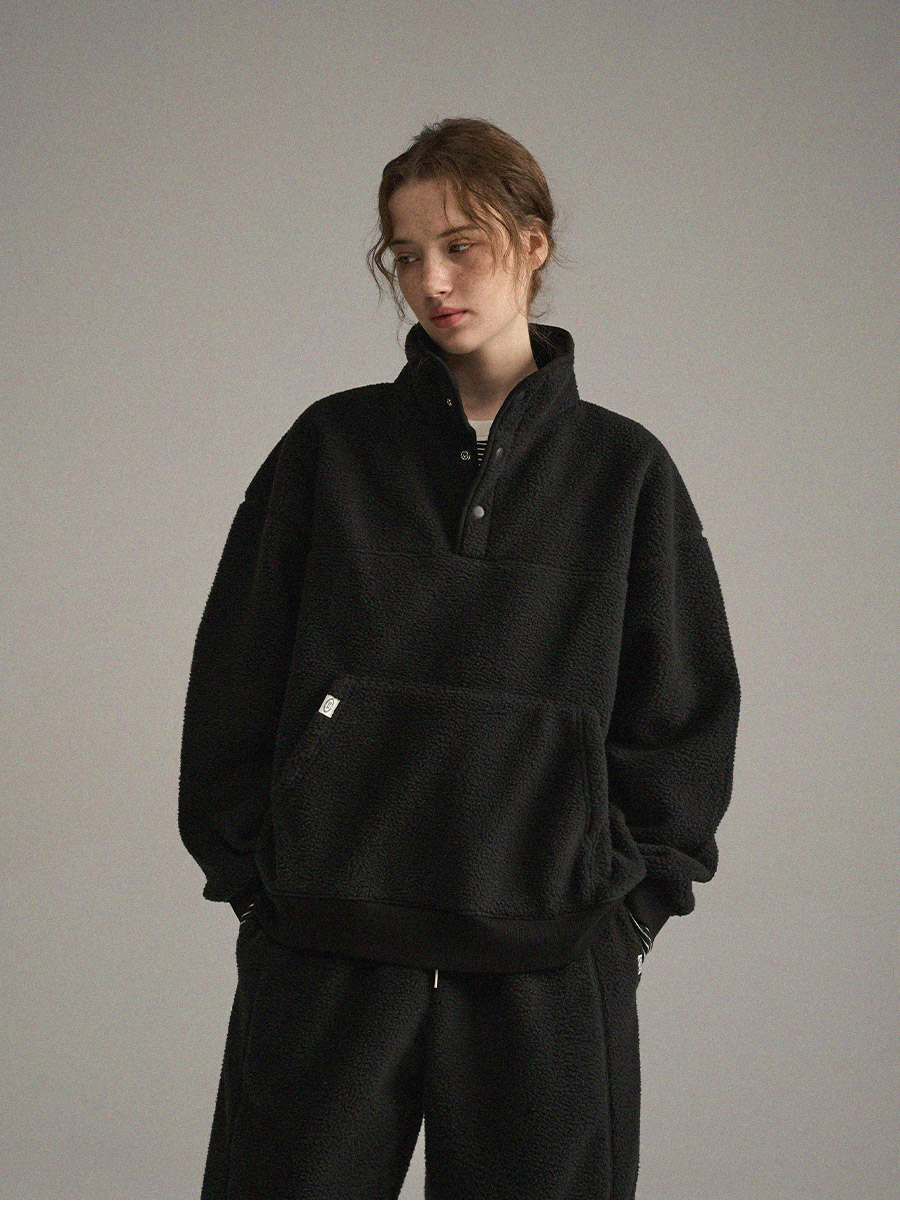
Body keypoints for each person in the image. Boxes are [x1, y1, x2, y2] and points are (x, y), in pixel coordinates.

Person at [178, 116, 741, 1199]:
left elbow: (682, 711)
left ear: (532, 242)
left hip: (550, 957)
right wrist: (258, 885)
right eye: (405, 255)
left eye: (460, 245)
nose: (430, 280)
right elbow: (233, 678)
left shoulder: (624, 472)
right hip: (326, 940)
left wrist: (626, 912)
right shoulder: (330, 448)